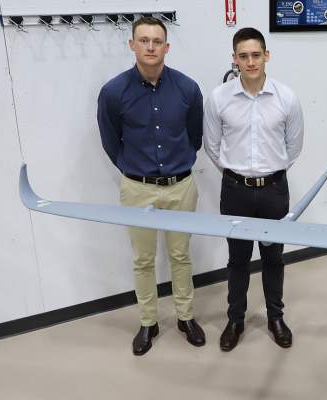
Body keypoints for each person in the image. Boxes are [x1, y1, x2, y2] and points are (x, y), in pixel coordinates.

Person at [97, 16, 206, 356]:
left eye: (156, 41)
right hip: (137, 189)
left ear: (166, 47)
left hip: (180, 186)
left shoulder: (188, 88)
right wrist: (136, 172)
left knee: (180, 256)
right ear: (132, 45)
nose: (150, 46)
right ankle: (148, 321)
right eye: (143, 40)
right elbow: (111, 142)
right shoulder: (114, 92)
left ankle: (185, 317)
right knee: (143, 260)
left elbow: (195, 137)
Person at [203, 27, 304, 351]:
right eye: (243, 56)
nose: (250, 62)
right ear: (234, 59)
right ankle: (236, 319)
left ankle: (276, 317)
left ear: (266, 56)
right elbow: (212, 146)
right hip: (235, 190)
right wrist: (239, 174)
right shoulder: (219, 98)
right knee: (238, 260)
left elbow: (294, 145)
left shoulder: (286, 98)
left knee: (274, 257)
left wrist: (269, 173)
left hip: (275, 190)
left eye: (256, 55)